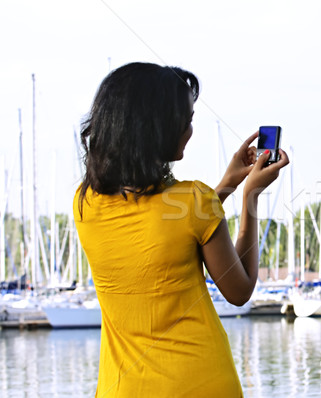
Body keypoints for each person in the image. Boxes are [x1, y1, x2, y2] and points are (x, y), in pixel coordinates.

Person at [75, 62, 288, 397]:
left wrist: (226, 185)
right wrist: (251, 196)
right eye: (187, 120)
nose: (190, 130)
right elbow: (240, 290)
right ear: (158, 128)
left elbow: (169, 230)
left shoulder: (85, 202)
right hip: (199, 383)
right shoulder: (194, 201)